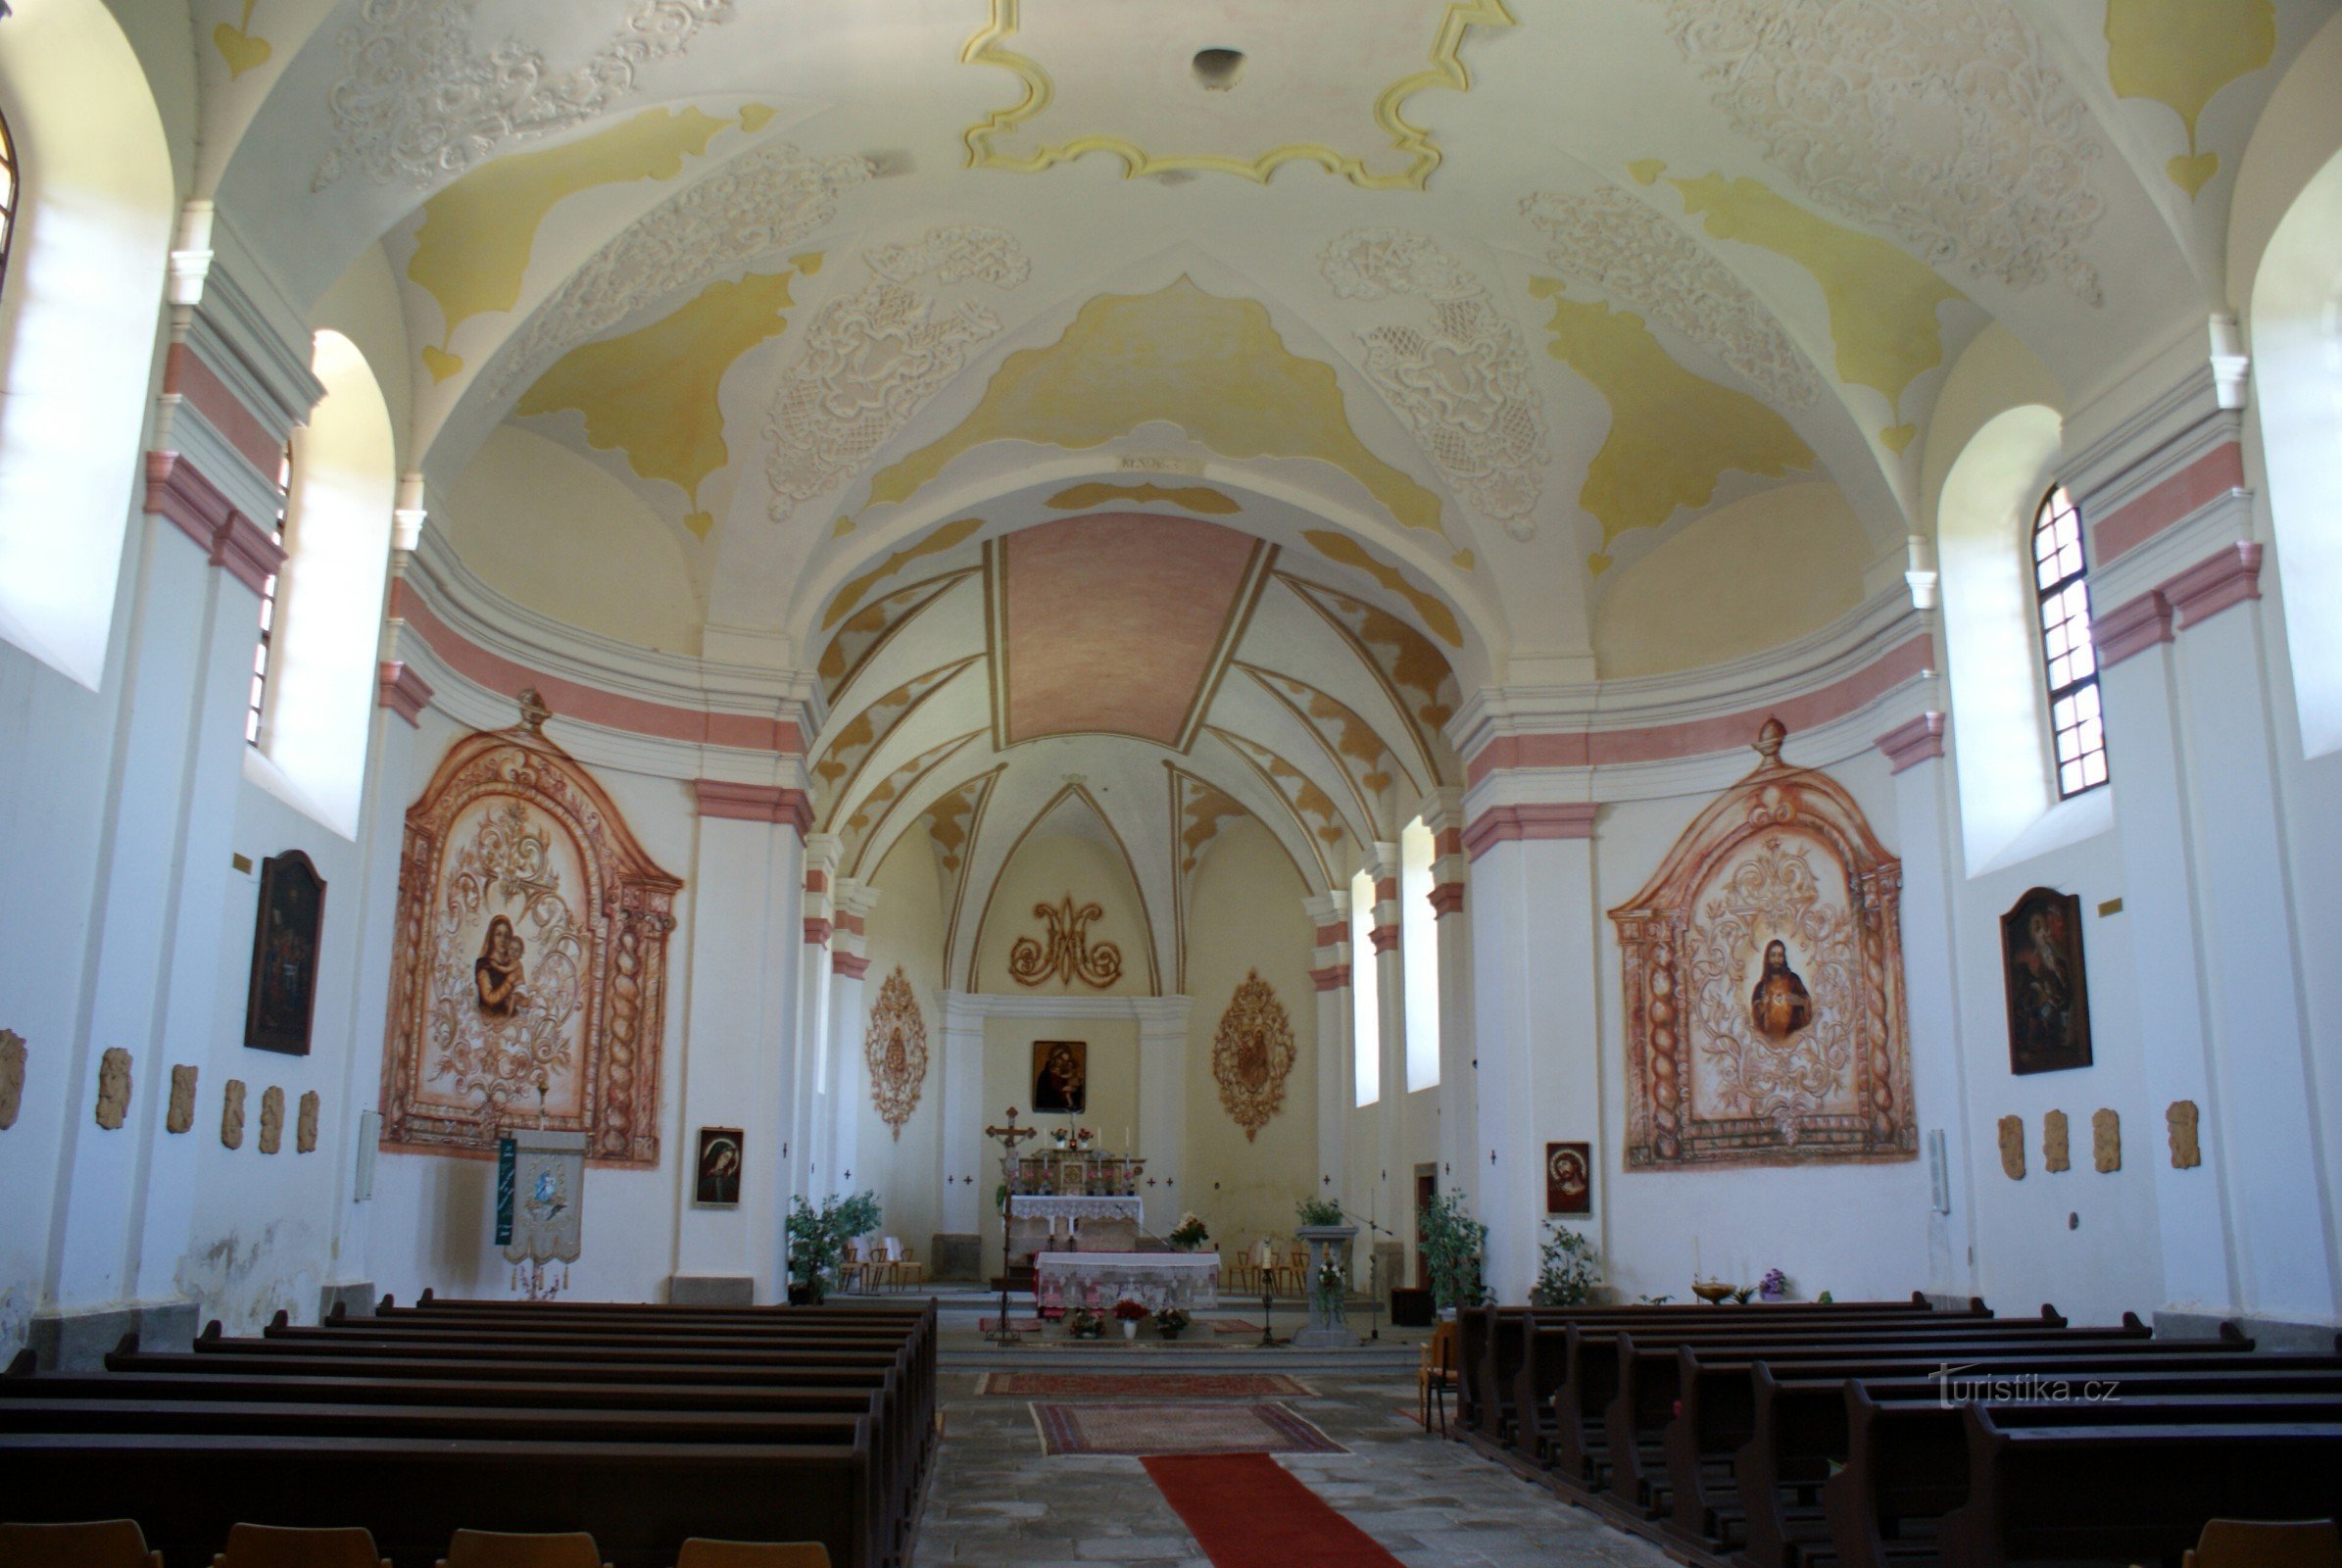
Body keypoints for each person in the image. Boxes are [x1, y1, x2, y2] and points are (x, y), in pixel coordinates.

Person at [1749, 939, 1812, 1039]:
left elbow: (1807, 1003)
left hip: (1793, 1038)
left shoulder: (1793, 980)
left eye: (1780, 955)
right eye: (1773, 955)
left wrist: (1800, 1001)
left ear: (1784, 958)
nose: (1776, 959)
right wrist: (1762, 1006)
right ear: (1768, 958)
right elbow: (1755, 1018)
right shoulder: (1761, 986)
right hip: (1769, 1041)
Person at [473, 915, 529, 1015]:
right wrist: (508, 982)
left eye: (507, 936)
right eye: (498, 934)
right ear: (491, 937)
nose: (503, 939)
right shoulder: (484, 965)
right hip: (489, 1018)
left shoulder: (511, 963)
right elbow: (489, 999)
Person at [1033, 1042, 1085, 1113]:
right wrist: (1062, 1091)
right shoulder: (1045, 1075)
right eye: (1061, 1060)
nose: (1064, 1063)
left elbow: (1078, 1094)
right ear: (1054, 1058)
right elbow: (1043, 1098)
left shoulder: (1068, 1071)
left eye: (1067, 1061)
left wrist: (1075, 1090)